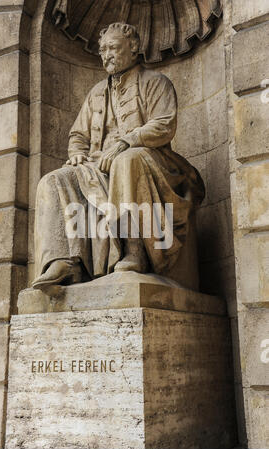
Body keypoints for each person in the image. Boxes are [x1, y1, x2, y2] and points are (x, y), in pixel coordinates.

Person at [32, 22, 204, 289]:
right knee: (53, 180)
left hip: (152, 164)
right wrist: (77, 153)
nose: (106, 55)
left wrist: (127, 141)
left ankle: (134, 250)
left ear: (133, 48)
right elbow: (78, 135)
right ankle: (65, 261)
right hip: (98, 167)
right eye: (102, 50)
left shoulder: (156, 83)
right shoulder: (96, 93)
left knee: (127, 160)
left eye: (113, 48)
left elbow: (164, 124)